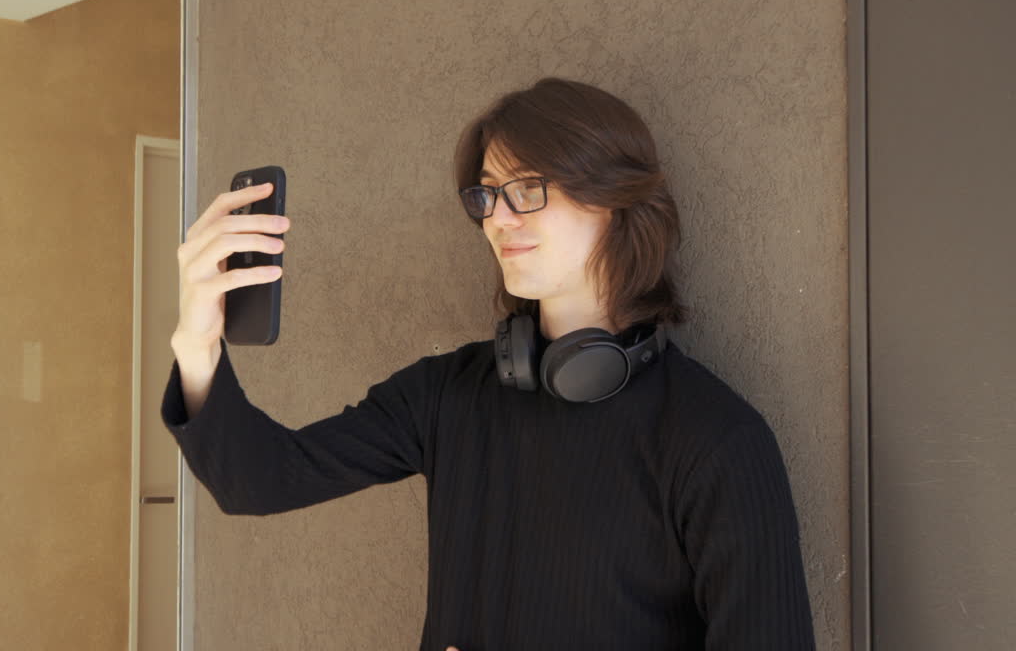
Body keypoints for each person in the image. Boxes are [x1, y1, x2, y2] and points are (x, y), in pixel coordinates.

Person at [162, 77, 816, 650]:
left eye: (527, 189)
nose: (498, 218)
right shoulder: (448, 394)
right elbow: (260, 480)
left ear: (616, 198)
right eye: (486, 196)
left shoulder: (717, 442)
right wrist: (197, 338)